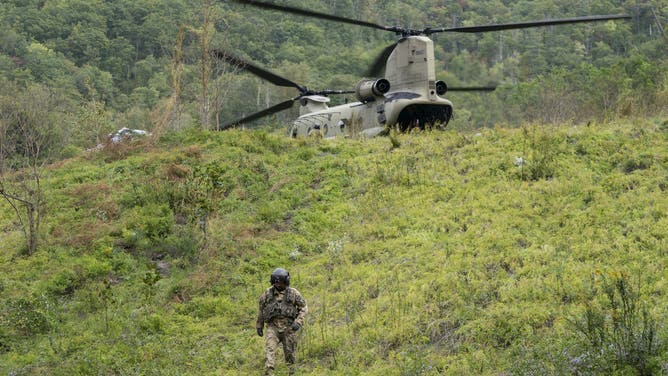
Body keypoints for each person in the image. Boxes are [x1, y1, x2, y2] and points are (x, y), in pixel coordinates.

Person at [256, 268, 308, 376]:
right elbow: (261, 309)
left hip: (289, 328)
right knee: (269, 352)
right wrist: (259, 325)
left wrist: (298, 322)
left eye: (281, 282)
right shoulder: (267, 294)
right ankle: (269, 373)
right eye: (276, 282)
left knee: (290, 356)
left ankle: (291, 373)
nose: (279, 284)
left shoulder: (293, 293)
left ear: (286, 281)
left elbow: (304, 307)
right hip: (272, 327)